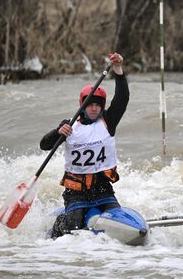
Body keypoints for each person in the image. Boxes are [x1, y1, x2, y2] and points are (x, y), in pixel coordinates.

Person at [39, 53, 129, 239]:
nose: (94, 108)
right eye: (90, 105)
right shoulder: (70, 126)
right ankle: (57, 225)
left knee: (116, 219)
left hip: (102, 188)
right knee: (74, 225)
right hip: (76, 192)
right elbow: (44, 145)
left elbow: (122, 99)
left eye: (98, 105)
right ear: (82, 106)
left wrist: (118, 71)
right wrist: (58, 132)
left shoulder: (108, 122)